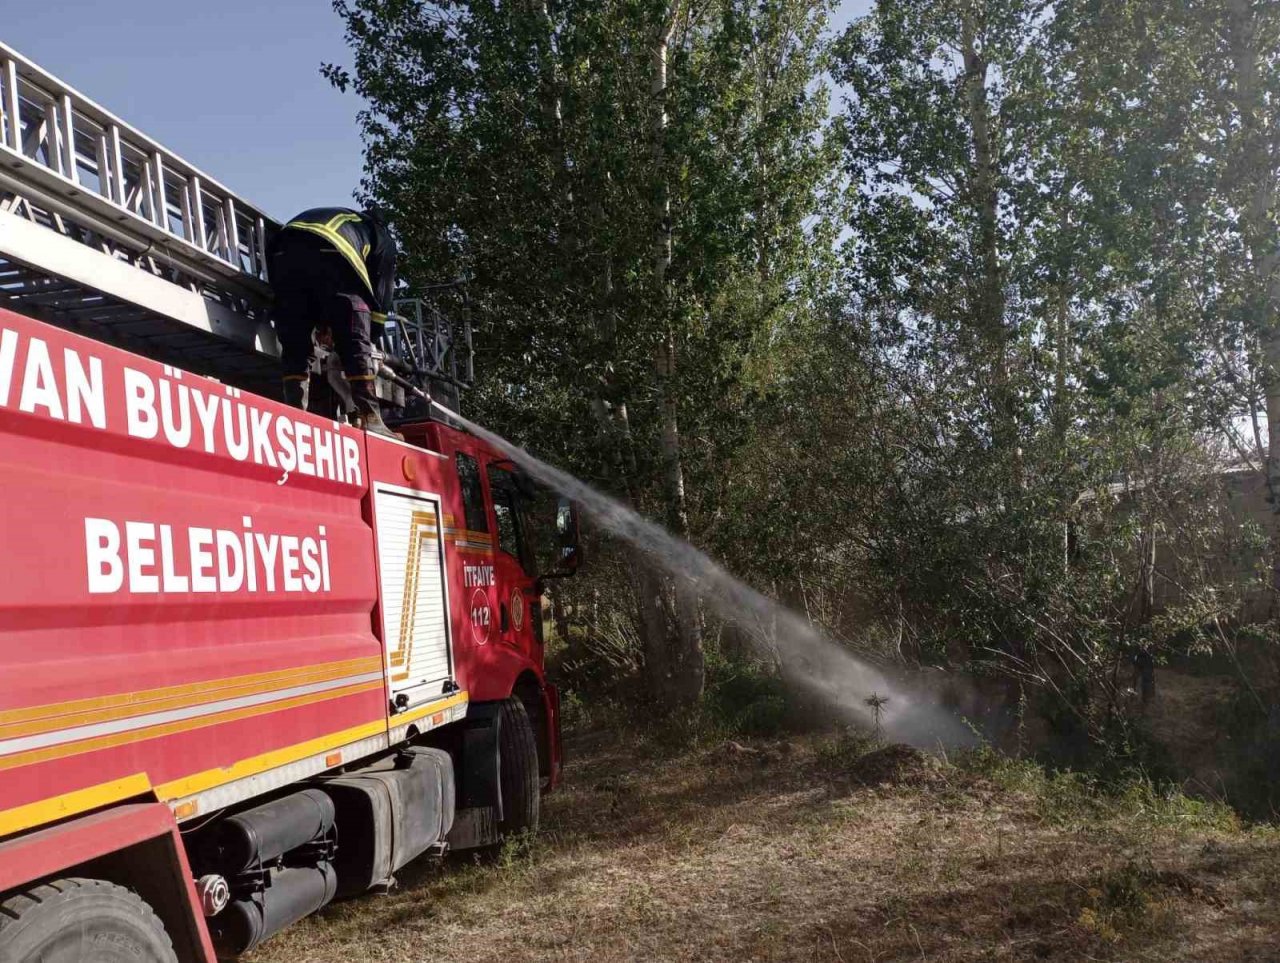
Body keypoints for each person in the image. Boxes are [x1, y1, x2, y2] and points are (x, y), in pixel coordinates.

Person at [267, 206, 398, 436]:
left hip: (283, 251)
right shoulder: (381, 235)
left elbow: (314, 291)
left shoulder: (344, 219)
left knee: (295, 345)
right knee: (355, 340)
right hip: (332, 251)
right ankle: (372, 419)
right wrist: (370, 338)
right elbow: (382, 294)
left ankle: (295, 414)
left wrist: (321, 322)